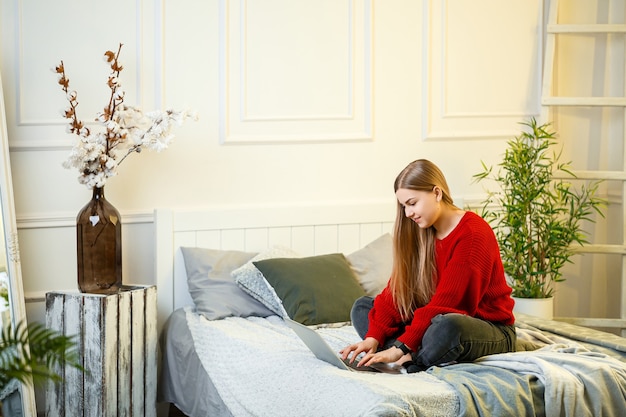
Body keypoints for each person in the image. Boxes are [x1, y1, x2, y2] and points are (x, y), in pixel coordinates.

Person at [340, 159, 516, 373]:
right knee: (363, 307)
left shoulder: (473, 233)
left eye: (412, 203)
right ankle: (415, 354)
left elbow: (449, 303)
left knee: (447, 327)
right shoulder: (420, 232)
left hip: (482, 327)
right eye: (404, 206)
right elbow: (397, 293)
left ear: (437, 193)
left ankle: (409, 354)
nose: (407, 213)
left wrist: (401, 345)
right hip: (434, 318)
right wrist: (373, 337)